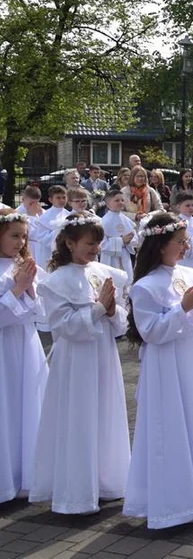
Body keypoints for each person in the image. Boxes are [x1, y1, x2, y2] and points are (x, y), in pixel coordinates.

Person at [123, 213, 193, 528]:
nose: (186, 247)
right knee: (168, 426)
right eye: (180, 242)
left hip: (192, 362)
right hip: (165, 367)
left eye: (186, 242)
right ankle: (172, 500)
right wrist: (182, 308)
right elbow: (152, 332)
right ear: (160, 246)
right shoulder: (144, 287)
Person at [32, 212, 131, 514]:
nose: (95, 249)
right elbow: (63, 326)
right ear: (70, 243)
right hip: (76, 360)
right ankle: (76, 492)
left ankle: (106, 481)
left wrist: (113, 312)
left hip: (103, 355)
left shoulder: (105, 272)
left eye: (98, 243)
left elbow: (122, 323)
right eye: (89, 243)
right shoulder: (57, 281)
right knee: (79, 418)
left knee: (104, 412)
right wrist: (100, 308)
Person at [0, 210, 48, 504]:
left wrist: (30, 291)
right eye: (14, 236)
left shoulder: (24, 264)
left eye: (23, 236)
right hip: (3, 347)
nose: (21, 242)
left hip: (26, 344)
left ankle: (29, 473)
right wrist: (17, 289)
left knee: (27, 404)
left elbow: (41, 312)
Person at [100, 188, 136, 281]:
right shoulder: (104, 222)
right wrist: (121, 241)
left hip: (125, 255)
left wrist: (131, 240)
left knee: (127, 280)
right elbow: (102, 244)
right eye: (117, 200)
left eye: (122, 200)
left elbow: (134, 237)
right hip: (111, 258)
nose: (121, 202)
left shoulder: (126, 219)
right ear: (108, 204)